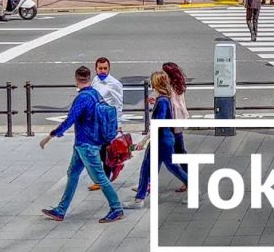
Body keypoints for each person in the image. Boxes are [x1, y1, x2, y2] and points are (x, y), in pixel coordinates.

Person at [39, 66, 124, 223]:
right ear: (89, 78)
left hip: (86, 144)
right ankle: (61, 210)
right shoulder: (95, 94)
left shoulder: (82, 98)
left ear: (76, 79)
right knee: (72, 173)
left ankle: (116, 208)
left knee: (100, 178)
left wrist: (51, 135)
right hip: (89, 143)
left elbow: (70, 120)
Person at [124, 71, 188, 209]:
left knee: (164, 167)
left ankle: (139, 199)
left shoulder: (162, 101)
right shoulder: (164, 99)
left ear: (156, 84)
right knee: (150, 168)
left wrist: (143, 141)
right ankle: (139, 198)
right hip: (164, 139)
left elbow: (157, 124)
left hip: (161, 141)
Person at [86, 57, 124, 192]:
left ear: (109, 68)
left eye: (105, 68)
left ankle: (104, 180)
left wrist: (119, 124)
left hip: (108, 122)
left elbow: (118, 105)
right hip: (96, 121)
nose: (102, 71)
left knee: (105, 151)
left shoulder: (114, 84)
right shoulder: (95, 80)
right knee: (99, 151)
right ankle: (114, 165)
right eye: (100, 68)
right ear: (96, 68)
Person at [163, 62, 190, 189]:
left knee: (177, 153)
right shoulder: (178, 85)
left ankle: (188, 180)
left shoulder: (171, 88)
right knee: (179, 152)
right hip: (176, 124)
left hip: (172, 124)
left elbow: (172, 105)